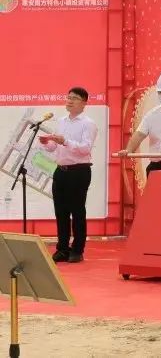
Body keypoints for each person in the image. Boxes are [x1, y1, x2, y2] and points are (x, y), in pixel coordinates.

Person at [37, 87, 98, 263]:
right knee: (61, 211)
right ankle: (62, 248)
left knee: (77, 211)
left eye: (75, 98)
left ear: (84, 102)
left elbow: (85, 148)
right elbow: (54, 148)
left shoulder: (88, 123)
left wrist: (65, 141)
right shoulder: (62, 121)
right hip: (61, 171)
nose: (69, 101)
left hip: (79, 171)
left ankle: (77, 249)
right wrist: (47, 142)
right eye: (68, 97)